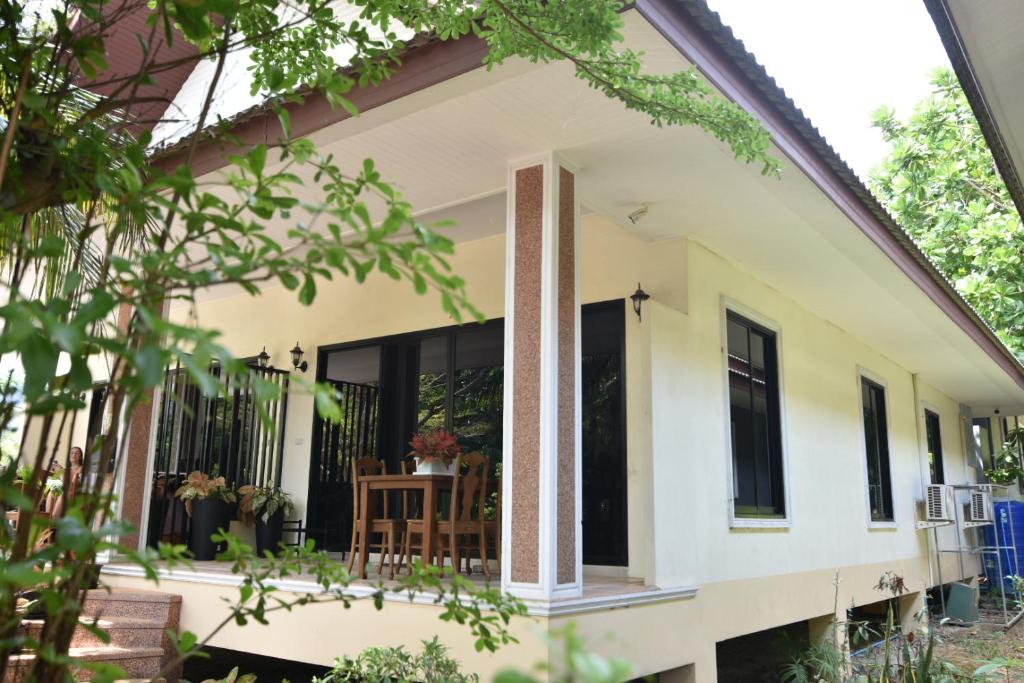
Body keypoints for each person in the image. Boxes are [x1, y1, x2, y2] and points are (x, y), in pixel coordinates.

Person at [48, 446, 84, 519]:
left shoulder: (81, 468)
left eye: (77, 453)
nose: (74, 455)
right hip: (63, 491)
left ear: (80, 457)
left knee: (64, 494)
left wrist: (61, 472)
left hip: (74, 494)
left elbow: (71, 486)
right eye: (72, 453)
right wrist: (56, 473)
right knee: (52, 492)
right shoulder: (66, 469)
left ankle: (53, 520)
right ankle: (48, 517)